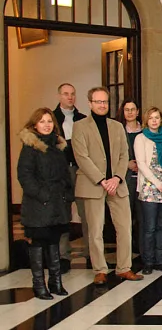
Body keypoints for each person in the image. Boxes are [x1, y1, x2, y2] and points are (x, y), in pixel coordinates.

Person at [73, 87, 143, 284]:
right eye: (98, 101)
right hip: (93, 184)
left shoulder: (117, 126)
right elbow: (81, 157)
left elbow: (124, 154)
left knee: (124, 227)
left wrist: (117, 178)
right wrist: (102, 179)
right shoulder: (80, 126)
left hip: (117, 184)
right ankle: (100, 270)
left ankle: (124, 268)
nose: (102, 105)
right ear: (90, 103)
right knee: (95, 230)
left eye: (105, 102)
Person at [18, 108, 74, 299]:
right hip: (38, 205)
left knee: (54, 241)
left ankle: (55, 282)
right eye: (42, 121)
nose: (47, 125)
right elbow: (25, 176)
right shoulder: (30, 147)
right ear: (35, 125)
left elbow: (66, 175)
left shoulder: (58, 147)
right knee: (38, 243)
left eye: (49, 121)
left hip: (57, 203)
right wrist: (43, 195)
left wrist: (67, 194)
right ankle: (39, 284)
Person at [134, 107, 162, 275]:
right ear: (146, 120)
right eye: (151, 118)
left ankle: (161, 260)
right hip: (149, 187)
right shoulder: (141, 138)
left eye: (157, 117)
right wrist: (158, 183)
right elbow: (141, 164)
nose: (154, 121)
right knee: (149, 227)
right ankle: (148, 261)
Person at [53, 83, 88, 273]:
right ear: (59, 96)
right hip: (61, 171)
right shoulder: (51, 119)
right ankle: (63, 255)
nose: (70, 97)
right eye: (66, 94)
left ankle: (92, 254)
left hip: (81, 169)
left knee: (87, 213)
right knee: (63, 213)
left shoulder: (82, 119)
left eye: (73, 94)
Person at [117, 99, 143, 256]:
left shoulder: (144, 130)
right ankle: (126, 251)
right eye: (127, 109)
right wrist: (126, 164)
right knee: (126, 217)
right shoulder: (118, 130)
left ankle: (141, 249)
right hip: (126, 178)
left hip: (143, 178)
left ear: (138, 111)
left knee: (142, 217)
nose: (130, 112)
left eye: (133, 109)